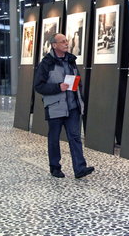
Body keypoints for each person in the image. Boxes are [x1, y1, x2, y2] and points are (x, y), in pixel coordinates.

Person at [34, 33, 94, 179]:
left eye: (67, 41)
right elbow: (38, 86)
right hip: (55, 107)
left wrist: (79, 96)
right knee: (54, 138)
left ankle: (80, 168)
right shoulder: (46, 63)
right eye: (63, 42)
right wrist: (57, 87)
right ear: (54, 45)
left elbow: (78, 82)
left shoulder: (71, 60)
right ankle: (55, 168)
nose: (67, 44)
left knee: (75, 137)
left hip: (72, 106)